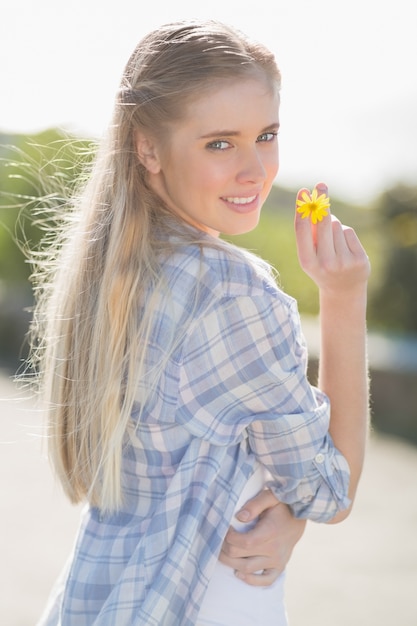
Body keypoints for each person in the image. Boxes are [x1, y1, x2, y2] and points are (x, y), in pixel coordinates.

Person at [31, 19, 370, 626]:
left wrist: (284, 516)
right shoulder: (233, 291)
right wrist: (343, 299)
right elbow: (329, 491)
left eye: (266, 135)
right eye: (220, 143)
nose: (255, 170)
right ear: (148, 148)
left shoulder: (114, 269)